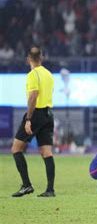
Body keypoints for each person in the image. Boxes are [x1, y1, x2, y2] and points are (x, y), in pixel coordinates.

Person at [11, 47, 56, 197]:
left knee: (16, 149)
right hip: (48, 114)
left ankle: (26, 185)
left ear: (28, 59)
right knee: (46, 152)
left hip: (36, 114)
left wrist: (28, 119)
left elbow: (33, 97)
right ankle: (50, 190)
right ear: (41, 58)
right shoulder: (49, 75)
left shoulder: (32, 75)